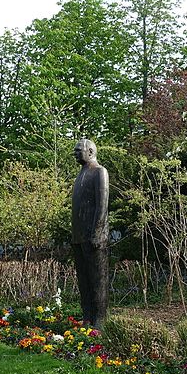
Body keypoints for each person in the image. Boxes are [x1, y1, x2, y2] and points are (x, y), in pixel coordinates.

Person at [71, 138, 109, 328]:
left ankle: (100, 321)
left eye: (78, 150)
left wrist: (97, 232)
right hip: (78, 237)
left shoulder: (99, 172)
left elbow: (102, 205)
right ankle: (87, 317)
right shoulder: (81, 174)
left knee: (97, 281)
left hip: (94, 237)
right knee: (83, 281)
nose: (75, 153)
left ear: (91, 151)